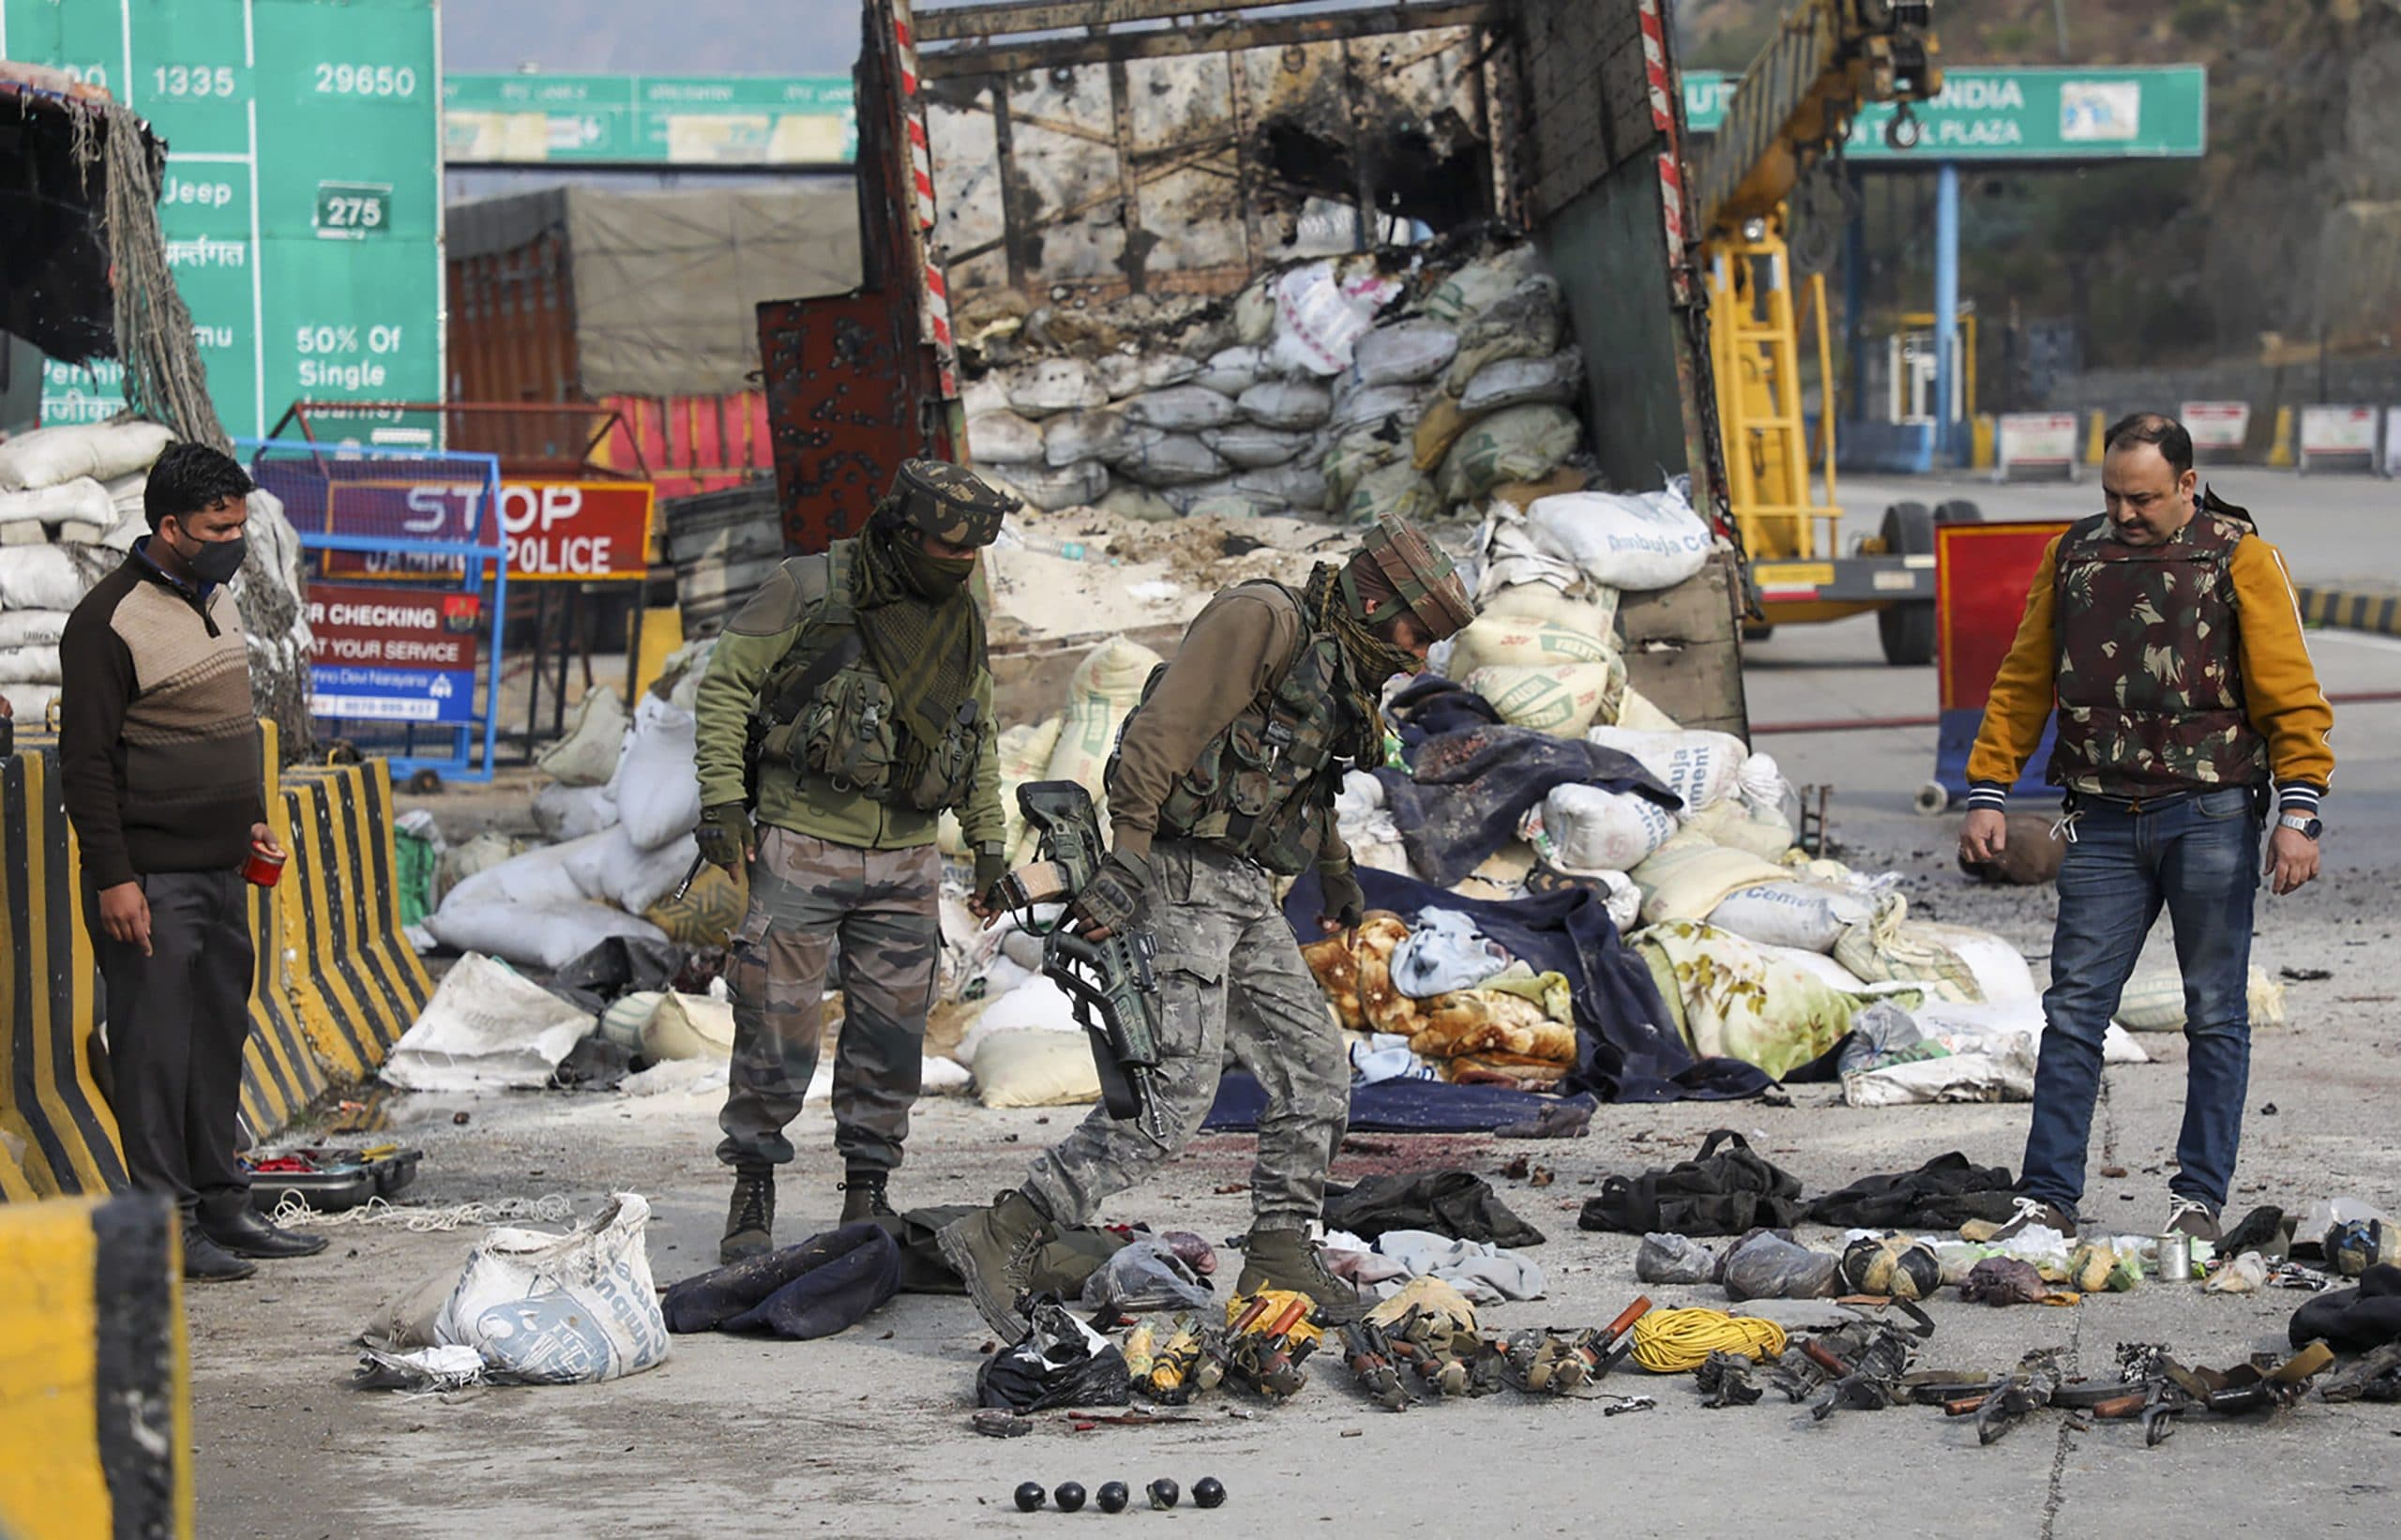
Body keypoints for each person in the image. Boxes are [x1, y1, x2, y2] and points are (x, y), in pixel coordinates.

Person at [940, 514, 1475, 1336]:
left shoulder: (1337, 665)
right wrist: (1126, 858)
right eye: (1417, 630)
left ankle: (1280, 1252)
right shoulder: (1261, 619)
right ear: (1377, 599)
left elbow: (1301, 784)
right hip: (1179, 874)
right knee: (1172, 1101)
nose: (1420, 654)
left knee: (1314, 1068)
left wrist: (1335, 873)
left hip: (1242, 887)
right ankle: (1004, 1229)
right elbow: (1159, 738)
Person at [1959, 412, 2333, 1245]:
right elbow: (2024, 679)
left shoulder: (2241, 559)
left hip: (2211, 816)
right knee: (2074, 1012)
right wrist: (1986, 788)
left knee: (2214, 1014)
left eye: (2146, 499)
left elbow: (2290, 692)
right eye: (2113, 496)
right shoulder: (2073, 557)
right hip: (2097, 819)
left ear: (2189, 486)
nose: (2126, 514)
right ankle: (2047, 1195)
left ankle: (2198, 1198)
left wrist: (2299, 812)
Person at [692, 460, 1015, 1263]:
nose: (961, 564)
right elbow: (727, 687)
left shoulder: (959, 614)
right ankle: (754, 1182)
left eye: (973, 553)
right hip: (800, 842)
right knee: (776, 1023)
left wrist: (987, 844)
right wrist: (723, 806)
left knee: (892, 1034)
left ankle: (868, 1188)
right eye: (947, 547)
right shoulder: (812, 588)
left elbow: (976, 734)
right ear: (904, 529)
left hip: (906, 857)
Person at [59, 441, 320, 1282]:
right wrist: (115, 879)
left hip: (223, 870)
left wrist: (248, 826)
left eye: (242, 522)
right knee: (154, 1051)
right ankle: (168, 1224)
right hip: (151, 881)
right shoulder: (107, 622)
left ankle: (224, 1206)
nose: (236, 538)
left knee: (216, 1040)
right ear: (170, 527)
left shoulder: (220, 602)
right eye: (220, 526)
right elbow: (87, 767)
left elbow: (225, 732)